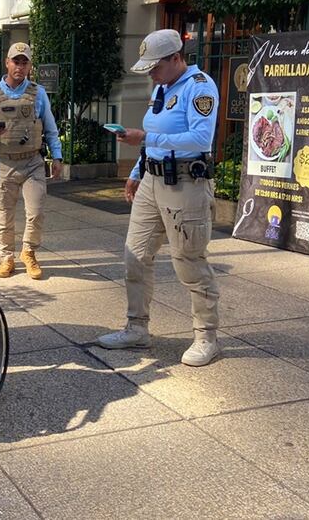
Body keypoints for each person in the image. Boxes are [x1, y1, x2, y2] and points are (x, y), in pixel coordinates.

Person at [97, 29, 221, 367]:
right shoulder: (162, 86)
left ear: (176, 58)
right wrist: (137, 173)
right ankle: (137, 327)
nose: (151, 73)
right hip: (152, 179)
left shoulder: (199, 87)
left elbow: (200, 137)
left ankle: (206, 336)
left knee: (189, 261)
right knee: (135, 255)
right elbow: (153, 139)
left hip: (184, 183)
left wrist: (145, 136)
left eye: (155, 67)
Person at [0, 42, 63, 280]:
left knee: (36, 211)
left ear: (29, 65)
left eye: (24, 62)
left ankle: (29, 252)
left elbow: (51, 128)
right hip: (3, 162)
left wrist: (57, 156)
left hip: (32, 162)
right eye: (16, 61)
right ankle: (6, 258)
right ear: (7, 62)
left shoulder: (38, 93)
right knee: (4, 214)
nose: (20, 66)